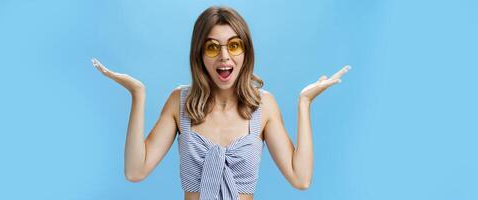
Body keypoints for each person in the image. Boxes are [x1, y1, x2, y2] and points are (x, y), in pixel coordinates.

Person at [92, 5, 350, 200]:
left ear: (245, 52)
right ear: (200, 54)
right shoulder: (179, 103)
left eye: (234, 46)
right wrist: (137, 94)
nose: (224, 57)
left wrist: (304, 103)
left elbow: (300, 178)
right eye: (213, 47)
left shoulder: (264, 105)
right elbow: (135, 171)